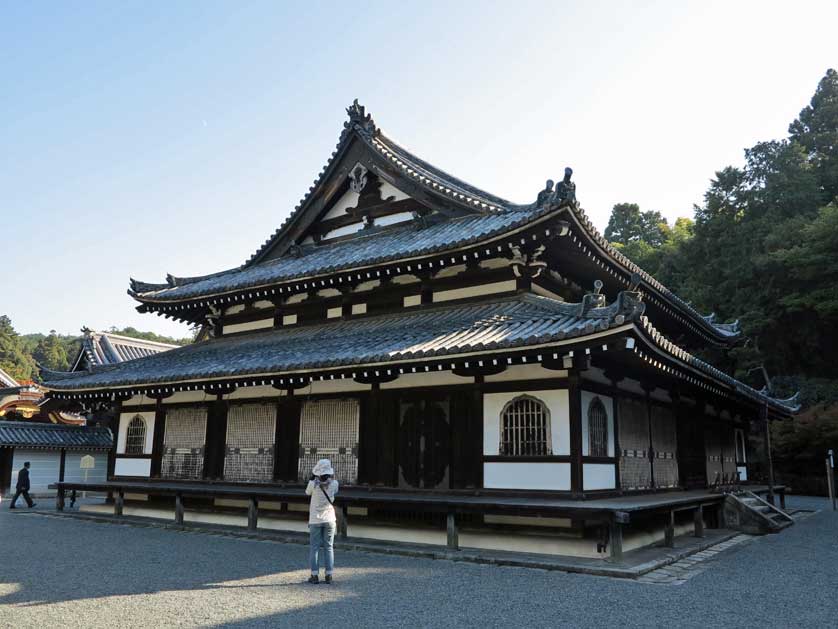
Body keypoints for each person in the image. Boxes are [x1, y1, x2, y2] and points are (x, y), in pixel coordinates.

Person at [305, 458, 338, 584]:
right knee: (329, 547)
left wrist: (313, 477)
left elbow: (307, 492)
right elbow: (335, 491)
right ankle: (329, 575)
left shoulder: (313, 485)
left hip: (315, 520)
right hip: (330, 519)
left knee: (314, 548)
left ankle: (314, 575)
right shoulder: (335, 484)